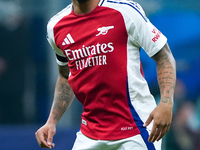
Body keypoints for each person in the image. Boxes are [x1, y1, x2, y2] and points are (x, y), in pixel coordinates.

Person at [35, 0, 176, 149]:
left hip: (136, 127)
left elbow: (163, 55)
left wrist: (166, 103)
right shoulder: (56, 26)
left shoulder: (125, 11)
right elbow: (65, 76)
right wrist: (51, 121)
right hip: (90, 133)